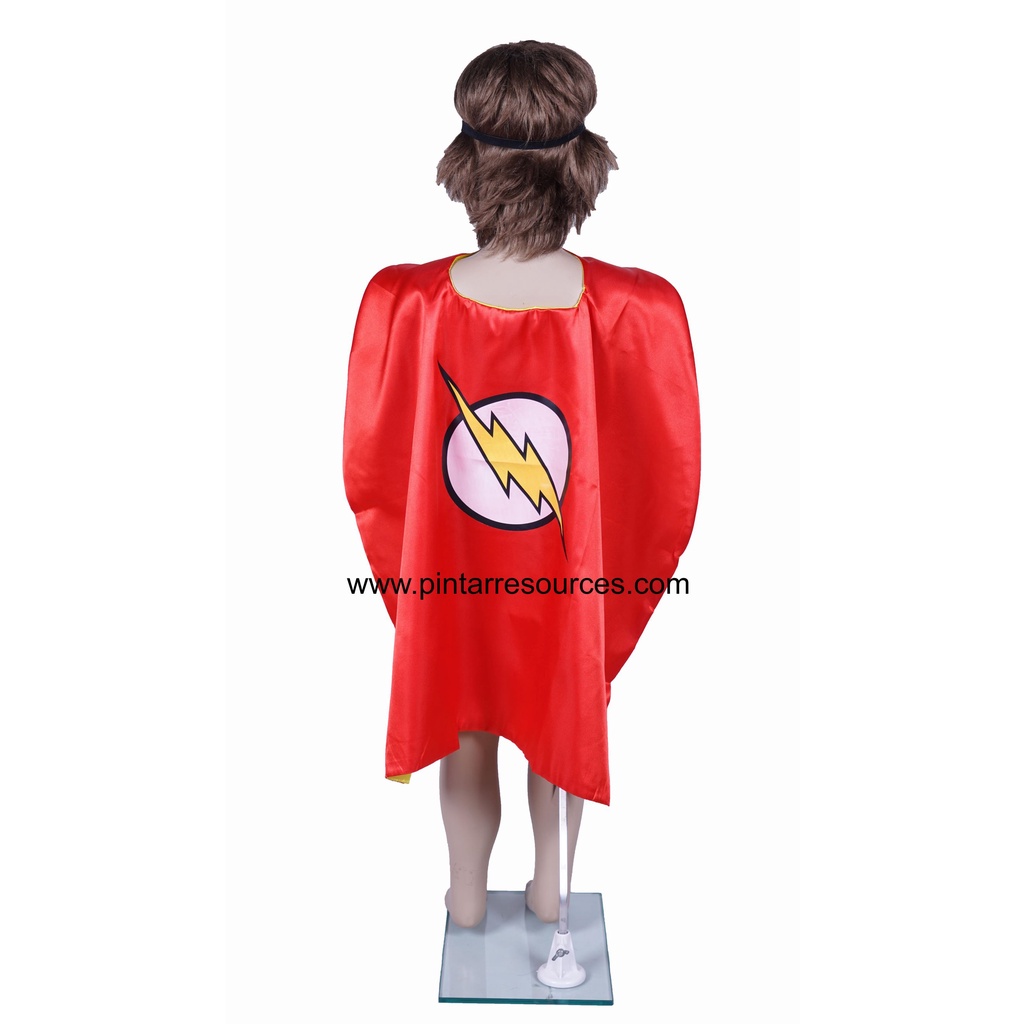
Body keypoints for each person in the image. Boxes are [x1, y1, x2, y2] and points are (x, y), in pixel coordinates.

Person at [344, 40, 700, 929]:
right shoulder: (639, 309)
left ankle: (466, 897)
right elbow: (664, 468)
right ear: (583, 164)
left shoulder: (402, 303)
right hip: (568, 579)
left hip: (454, 577)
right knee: (560, 705)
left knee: (464, 718)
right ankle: (552, 889)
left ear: (466, 165)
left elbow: (372, 458)